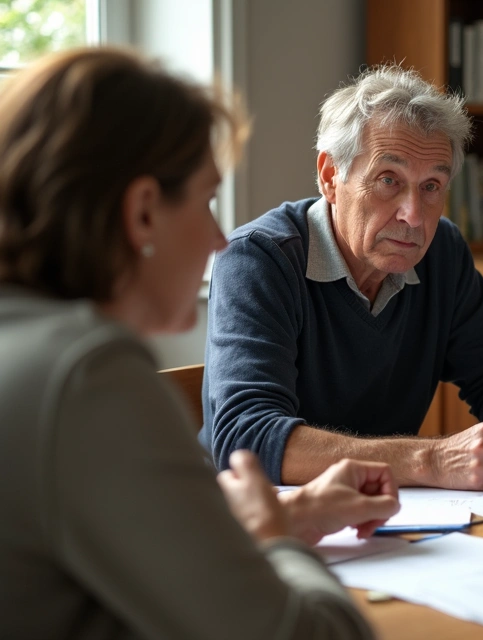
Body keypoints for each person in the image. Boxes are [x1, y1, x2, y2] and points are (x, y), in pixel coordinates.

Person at [0, 48, 402, 638]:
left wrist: (279, 514)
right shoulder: (90, 378)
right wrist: (273, 543)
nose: (219, 239)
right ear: (142, 214)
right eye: (206, 200)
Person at [201, 66, 483, 488]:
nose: (414, 216)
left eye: (432, 185)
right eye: (389, 180)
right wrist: (431, 459)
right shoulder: (259, 258)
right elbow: (248, 441)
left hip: (392, 514)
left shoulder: (443, 251)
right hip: (263, 520)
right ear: (331, 176)